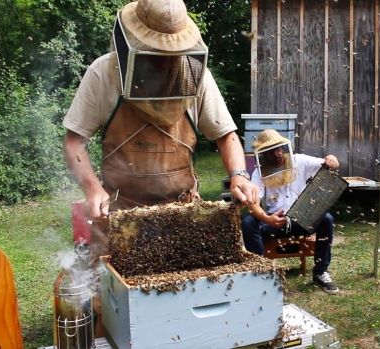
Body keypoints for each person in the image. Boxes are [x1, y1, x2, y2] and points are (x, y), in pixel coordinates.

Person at [62, 0, 259, 334]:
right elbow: (74, 141)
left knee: (183, 311)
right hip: (118, 214)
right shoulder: (102, 73)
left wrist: (239, 173)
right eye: (153, 55)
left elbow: (226, 134)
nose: (161, 64)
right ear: (131, 45)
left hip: (182, 214)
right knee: (110, 313)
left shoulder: (197, 76)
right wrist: (92, 189)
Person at [241, 129, 340, 295]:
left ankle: (320, 272)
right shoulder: (259, 172)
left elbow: (327, 162)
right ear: (263, 154)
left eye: (278, 147)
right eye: (271, 150)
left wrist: (332, 159)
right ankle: (260, 274)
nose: (277, 153)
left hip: (301, 218)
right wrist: (267, 219)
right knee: (249, 222)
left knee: (326, 219)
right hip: (275, 222)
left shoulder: (300, 161)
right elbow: (254, 205)